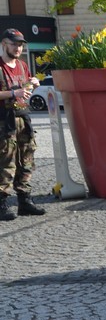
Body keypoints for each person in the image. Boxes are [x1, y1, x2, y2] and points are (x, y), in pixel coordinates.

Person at [0, 28, 44, 220]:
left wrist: (32, 84)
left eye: (20, 45)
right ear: (4, 44)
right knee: (6, 162)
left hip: (23, 118)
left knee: (26, 160)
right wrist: (13, 93)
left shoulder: (22, 65)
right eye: (14, 44)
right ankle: (1, 204)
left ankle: (25, 202)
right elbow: (14, 93)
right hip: (4, 121)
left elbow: (24, 91)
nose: (18, 48)